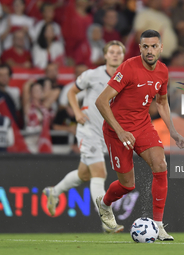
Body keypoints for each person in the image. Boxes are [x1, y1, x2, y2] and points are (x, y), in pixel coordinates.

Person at [95, 30, 184, 241]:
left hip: (142, 125)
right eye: (145, 47)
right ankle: (105, 204)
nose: (150, 50)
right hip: (117, 129)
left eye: (154, 46)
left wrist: (173, 132)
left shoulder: (163, 71)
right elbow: (101, 101)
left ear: (161, 48)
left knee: (160, 165)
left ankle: (158, 226)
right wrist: (120, 131)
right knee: (127, 185)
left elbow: (162, 102)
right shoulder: (128, 67)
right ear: (140, 48)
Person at [42, 41, 126, 233]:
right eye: (111, 52)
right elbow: (72, 91)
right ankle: (107, 221)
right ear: (105, 55)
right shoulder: (92, 74)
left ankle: (54, 191)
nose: (114, 55)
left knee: (84, 174)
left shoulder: (125, 78)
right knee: (100, 174)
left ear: (123, 56)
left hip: (106, 134)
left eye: (118, 52)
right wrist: (77, 112)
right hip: (88, 130)